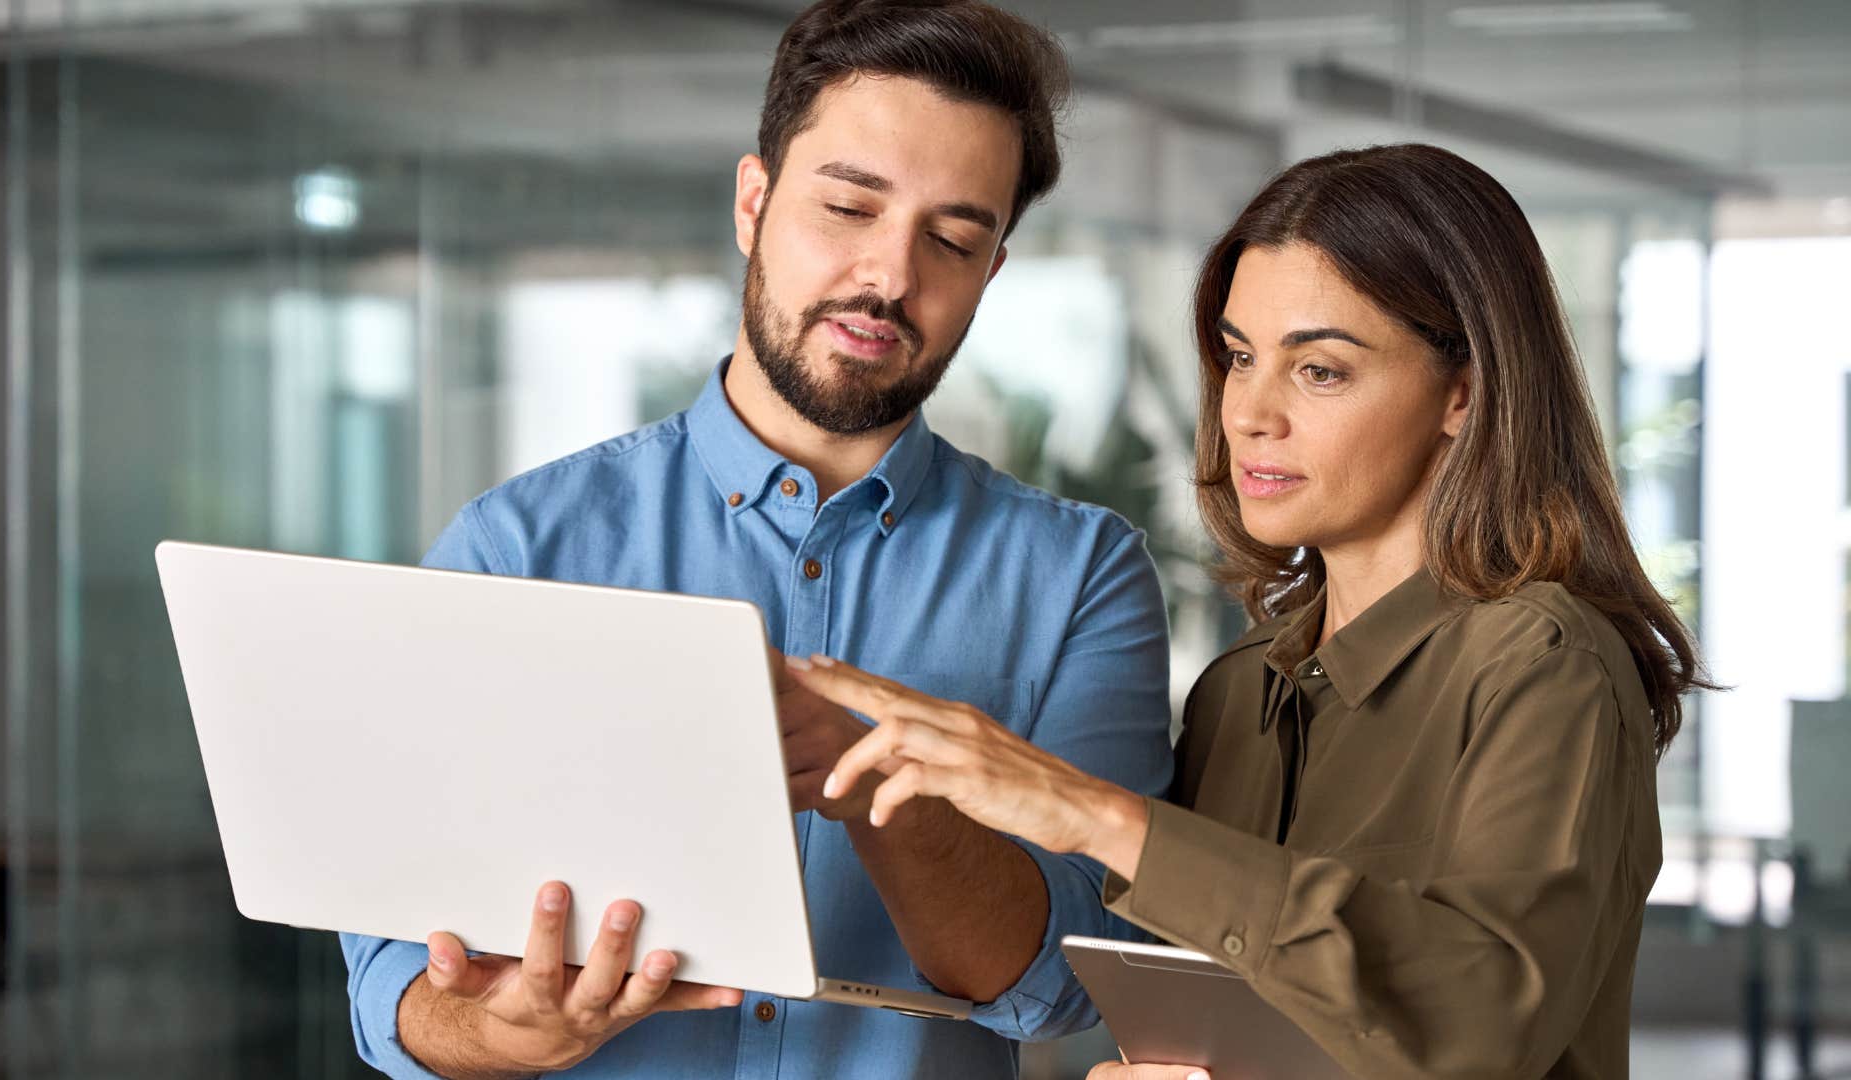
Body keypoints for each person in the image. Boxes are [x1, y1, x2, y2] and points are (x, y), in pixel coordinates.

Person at [338, 2, 1175, 1078]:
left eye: (953, 239)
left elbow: (1069, 983)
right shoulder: (515, 549)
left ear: (992, 271)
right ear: (754, 201)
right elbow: (388, 984)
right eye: (847, 206)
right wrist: (494, 1034)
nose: (889, 275)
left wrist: (870, 777)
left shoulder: (1079, 577)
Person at [798, 143, 1710, 1079]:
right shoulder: (1238, 694)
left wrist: (1097, 817)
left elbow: (1483, 1018)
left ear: (1463, 394)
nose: (1249, 414)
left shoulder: (1543, 661)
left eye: (1319, 370)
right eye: (1239, 358)